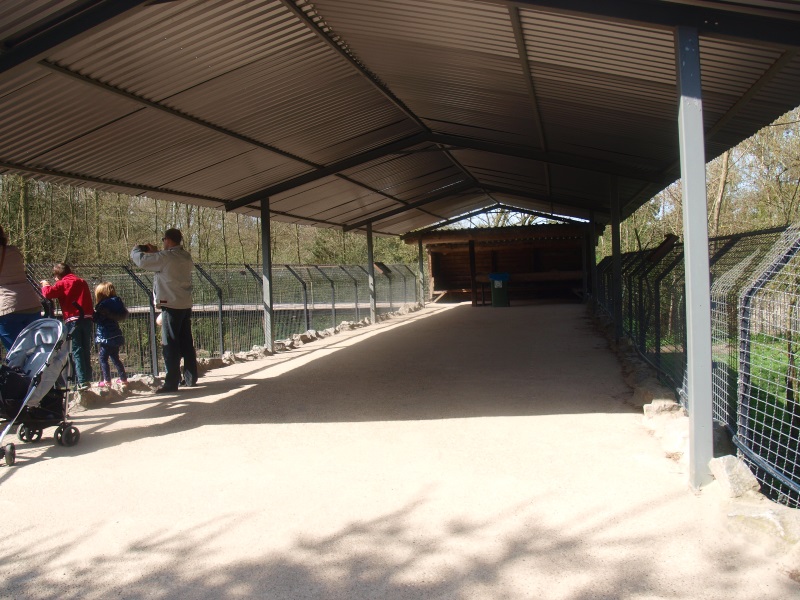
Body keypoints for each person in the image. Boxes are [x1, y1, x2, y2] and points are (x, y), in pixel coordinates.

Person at [130, 228, 197, 393]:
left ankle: (171, 382)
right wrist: (158, 252)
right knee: (186, 342)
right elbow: (168, 260)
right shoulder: (185, 256)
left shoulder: (165, 258)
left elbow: (141, 260)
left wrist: (139, 248)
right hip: (185, 303)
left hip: (170, 305)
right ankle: (190, 377)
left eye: (163, 240)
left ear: (167, 239)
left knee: (170, 344)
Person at [40, 263, 94, 390]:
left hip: (72, 319)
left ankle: (82, 380)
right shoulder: (82, 282)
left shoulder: (62, 283)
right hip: (86, 318)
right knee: (86, 348)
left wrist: (45, 285)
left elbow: (48, 293)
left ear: (58, 275)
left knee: (76, 349)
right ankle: (88, 377)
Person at [0, 225, 42, 351]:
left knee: (15, 354)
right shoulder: (14, 251)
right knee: (35, 352)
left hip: (8, 307)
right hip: (31, 303)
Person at [94, 282, 129, 389]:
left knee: (103, 358)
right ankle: (123, 379)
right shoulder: (116, 303)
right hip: (116, 335)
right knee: (115, 358)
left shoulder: (102, 305)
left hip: (105, 337)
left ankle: (107, 381)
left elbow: (97, 319)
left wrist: (93, 314)